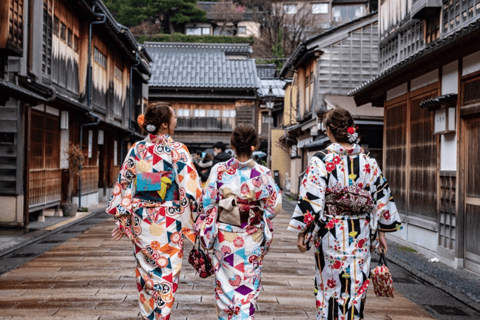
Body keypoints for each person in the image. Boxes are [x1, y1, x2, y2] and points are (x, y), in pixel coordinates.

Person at [288, 108, 402, 320]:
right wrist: (382, 233)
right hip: (361, 233)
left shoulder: (320, 160)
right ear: (350, 129)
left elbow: (310, 201)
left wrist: (302, 232)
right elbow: (381, 197)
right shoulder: (369, 161)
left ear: (329, 131)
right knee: (357, 287)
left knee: (330, 287)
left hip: (330, 233)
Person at [106, 102, 202, 320]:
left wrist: (123, 219)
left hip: (141, 222)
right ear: (165, 125)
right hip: (169, 222)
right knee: (166, 273)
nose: (176, 121)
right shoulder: (177, 150)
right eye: (174, 118)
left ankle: (148, 314)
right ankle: (161, 316)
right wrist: (198, 219)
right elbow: (192, 190)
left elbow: (125, 184)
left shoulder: (136, 150)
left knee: (145, 272)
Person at [196, 124, 282, 320]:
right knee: (248, 285)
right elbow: (273, 207)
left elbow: (207, 203)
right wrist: (253, 213)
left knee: (225, 285)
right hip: (252, 236)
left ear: (232, 145)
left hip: (225, 237)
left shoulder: (219, 170)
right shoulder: (263, 173)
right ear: (254, 145)